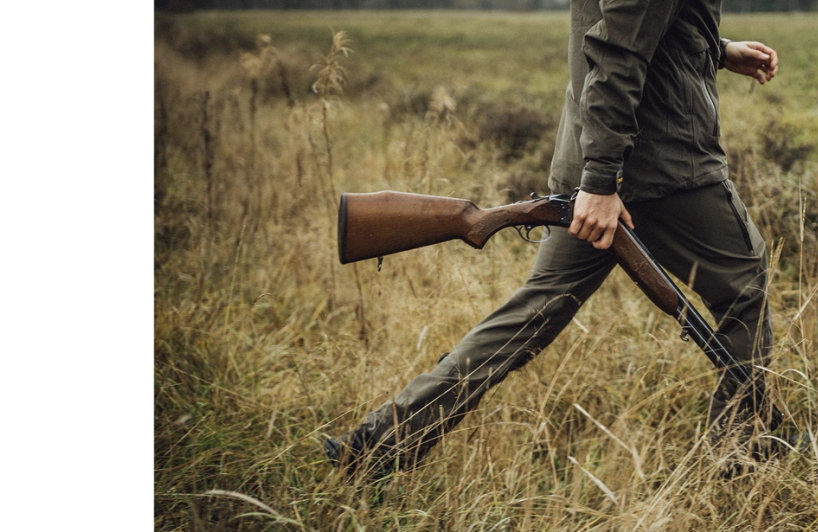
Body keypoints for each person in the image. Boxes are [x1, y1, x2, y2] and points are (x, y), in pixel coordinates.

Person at [325, 0, 786, 478]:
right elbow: (618, 50)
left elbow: (627, 21)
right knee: (744, 286)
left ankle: (377, 444)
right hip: (660, 165)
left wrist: (715, 48)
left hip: (598, 161)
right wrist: (602, 182)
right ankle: (742, 462)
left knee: (535, 310)